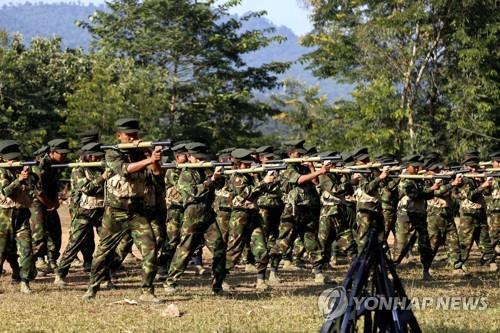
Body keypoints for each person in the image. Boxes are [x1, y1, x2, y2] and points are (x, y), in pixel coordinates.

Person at [82, 118, 161, 302]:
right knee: (102, 252)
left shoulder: (142, 152)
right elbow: (125, 170)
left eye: (135, 135)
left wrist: (154, 158)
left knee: (150, 249)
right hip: (115, 212)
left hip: (137, 211)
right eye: (129, 135)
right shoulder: (112, 153)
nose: (133, 138)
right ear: (120, 136)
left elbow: (157, 174)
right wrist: (148, 159)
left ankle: (147, 291)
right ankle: (92, 288)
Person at [163, 143, 226, 295]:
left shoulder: (206, 170)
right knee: (185, 249)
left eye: (201, 159)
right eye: (196, 158)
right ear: (189, 157)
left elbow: (220, 185)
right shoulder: (186, 173)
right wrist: (210, 180)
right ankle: (170, 281)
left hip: (208, 215)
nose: (199, 161)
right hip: (192, 215)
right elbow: (193, 193)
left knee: (219, 248)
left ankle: (218, 284)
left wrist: (218, 177)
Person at [269, 140, 330, 284]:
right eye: (299, 154)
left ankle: (318, 273)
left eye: (303, 154)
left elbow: (315, 182)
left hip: (306, 209)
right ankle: (272, 272)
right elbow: (300, 180)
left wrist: (312, 167)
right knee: (284, 241)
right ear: (291, 154)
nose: (302, 156)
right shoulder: (287, 167)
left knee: (312, 241)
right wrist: (320, 171)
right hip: (292, 210)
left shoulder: (302, 167)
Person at [54, 142, 111, 286]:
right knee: (74, 243)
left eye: (98, 156)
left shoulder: (100, 167)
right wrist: (103, 177)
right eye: (93, 156)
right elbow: (87, 188)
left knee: (106, 244)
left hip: (100, 210)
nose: (95, 158)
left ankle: (104, 277)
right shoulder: (78, 170)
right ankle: (60, 274)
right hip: (83, 212)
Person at [225, 148, 273, 290]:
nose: (247, 166)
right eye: (244, 164)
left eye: (248, 164)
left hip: (253, 214)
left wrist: (267, 179)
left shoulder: (251, 175)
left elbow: (262, 191)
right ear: (238, 164)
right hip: (239, 215)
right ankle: (221, 278)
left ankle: (261, 280)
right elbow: (246, 193)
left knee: (261, 248)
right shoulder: (236, 176)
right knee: (234, 249)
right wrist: (264, 182)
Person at [0, 140, 37, 293]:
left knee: (27, 249)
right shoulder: (2, 171)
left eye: (16, 158)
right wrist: (19, 180)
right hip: (4, 216)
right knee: (1, 251)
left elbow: (35, 185)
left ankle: (25, 281)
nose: (14, 161)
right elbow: (5, 191)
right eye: (10, 158)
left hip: (21, 215)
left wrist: (30, 176)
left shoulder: (22, 169)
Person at [30, 138, 68, 275]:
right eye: (61, 153)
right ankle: (37, 261)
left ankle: (52, 260)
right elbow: (37, 190)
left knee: (55, 230)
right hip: (37, 200)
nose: (65, 156)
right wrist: (50, 204)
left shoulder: (56, 164)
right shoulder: (41, 164)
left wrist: (55, 201)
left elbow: (54, 185)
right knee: (38, 232)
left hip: (50, 200)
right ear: (52, 152)